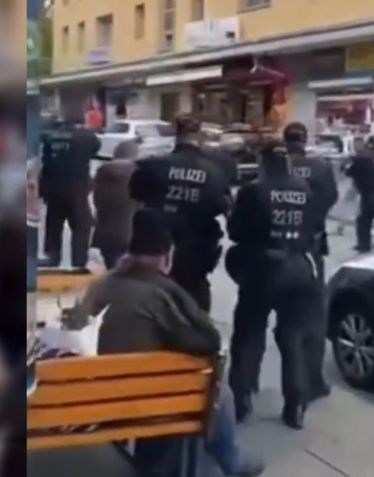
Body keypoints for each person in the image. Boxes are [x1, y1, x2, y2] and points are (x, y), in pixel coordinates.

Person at [79, 209, 264, 477]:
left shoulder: (103, 283)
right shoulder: (161, 291)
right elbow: (208, 341)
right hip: (143, 401)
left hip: (93, 398)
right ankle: (232, 461)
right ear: (166, 257)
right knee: (217, 391)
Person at [226, 141, 321, 429]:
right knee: (292, 336)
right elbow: (314, 229)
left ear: (264, 162)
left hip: (262, 268)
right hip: (300, 268)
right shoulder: (304, 189)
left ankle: (243, 397)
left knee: (249, 333)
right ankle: (296, 402)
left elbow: (236, 232)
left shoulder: (253, 190)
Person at [129, 115, 232, 312]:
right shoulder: (216, 172)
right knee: (196, 296)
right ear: (200, 136)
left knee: (156, 299)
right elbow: (225, 208)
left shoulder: (154, 165)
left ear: (176, 135)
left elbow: (135, 196)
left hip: (158, 245)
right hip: (198, 247)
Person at [283, 122, 338, 399]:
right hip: (311, 248)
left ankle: (247, 387)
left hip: (276, 250)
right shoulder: (320, 167)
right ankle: (312, 381)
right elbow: (331, 197)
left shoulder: (275, 166)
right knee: (312, 320)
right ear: (305, 140)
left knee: (260, 320)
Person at [39, 120, 100, 270]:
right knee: (81, 225)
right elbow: (96, 147)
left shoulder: (50, 136)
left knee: (54, 224)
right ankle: (78, 262)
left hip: (52, 187)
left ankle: (52, 257)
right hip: (76, 189)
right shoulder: (86, 136)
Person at [92, 141, 138, 269]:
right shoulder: (136, 174)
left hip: (104, 232)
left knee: (112, 268)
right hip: (129, 233)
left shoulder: (102, 173)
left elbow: (97, 201)